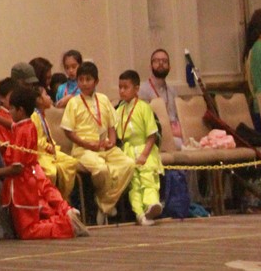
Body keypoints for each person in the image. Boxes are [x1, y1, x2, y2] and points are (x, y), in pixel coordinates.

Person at [1, 87, 87, 240]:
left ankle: (65, 221)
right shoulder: (29, 121)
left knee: (60, 171)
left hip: (30, 169)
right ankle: (64, 211)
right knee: (48, 184)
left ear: (20, 110)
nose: (48, 97)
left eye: (12, 108)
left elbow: (18, 164)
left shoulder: (28, 124)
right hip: (36, 163)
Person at [60, 62, 134, 225]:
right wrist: (87, 144)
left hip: (104, 146)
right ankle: (108, 203)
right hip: (83, 149)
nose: (84, 83)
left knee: (128, 164)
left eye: (88, 79)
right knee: (101, 169)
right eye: (81, 80)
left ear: (96, 81)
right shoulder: (73, 102)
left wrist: (112, 141)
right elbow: (68, 131)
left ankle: (104, 204)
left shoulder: (104, 99)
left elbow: (111, 125)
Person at [116, 70, 163, 226]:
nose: (122, 91)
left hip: (145, 148)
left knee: (148, 177)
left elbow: (152, 135)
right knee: (134, 183)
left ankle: (151, 204)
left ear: (136, 89)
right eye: (120, 87)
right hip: (128, 150)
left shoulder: (144, 107)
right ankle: (139, 213)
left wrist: (144, 154)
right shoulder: (119, 110)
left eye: (126, 87)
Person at [32, 84, 80, 200]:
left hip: (50, 150)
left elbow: (47, 136)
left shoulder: (42, 115)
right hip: (40, 153)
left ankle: (64, 197)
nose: (49, 97)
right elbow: (35, 139)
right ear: (39, 100)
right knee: (51, 172)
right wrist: (47, 146)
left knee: (71, 162)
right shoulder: (34, 116)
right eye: (46, 95)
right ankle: (51, 200)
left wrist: (53, 146)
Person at [139, 49, 184, 148]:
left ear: (169, 67)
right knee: (181, 144)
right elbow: (144, 121)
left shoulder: (172, 91)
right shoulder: (142, 90)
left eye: (164, 61)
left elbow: (178, 117)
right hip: (156, 134)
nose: (161, 63)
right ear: (150, 66)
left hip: (176, 133)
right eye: (156, 61)